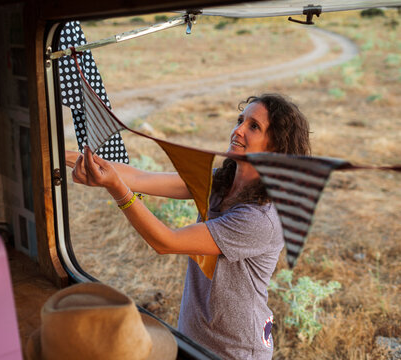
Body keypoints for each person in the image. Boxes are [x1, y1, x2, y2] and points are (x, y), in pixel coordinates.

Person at [65, 93, 311, 360]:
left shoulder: (261, 218)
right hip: (194, 334)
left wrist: (115, 188)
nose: (237, 130)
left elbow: (166, 242)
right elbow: (142, 177)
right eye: (240, 120)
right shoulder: (222, 181)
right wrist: (71, 157)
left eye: (254, 126)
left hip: (234, 350)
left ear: (276, 148)